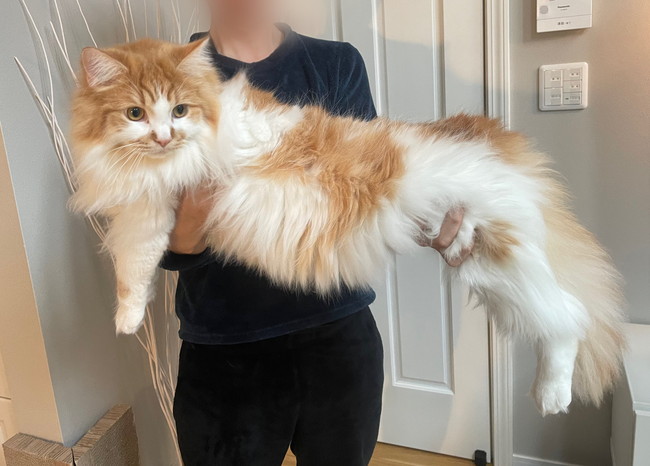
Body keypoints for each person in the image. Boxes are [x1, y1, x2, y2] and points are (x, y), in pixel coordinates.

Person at [162, 0, 472, 464]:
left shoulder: (335, 63)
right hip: (225, 350)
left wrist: (424, 221)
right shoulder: (168, 81)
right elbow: (172, 250)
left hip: (338, 340)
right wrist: (195, 208)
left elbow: (372, 190)